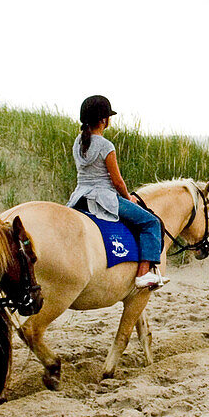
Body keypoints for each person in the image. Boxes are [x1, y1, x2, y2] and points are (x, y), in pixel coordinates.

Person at [66, 95, 167, 288]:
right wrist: (127, 197)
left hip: (79, 197)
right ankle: (143, 275)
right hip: (103, 198)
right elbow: (117, 181)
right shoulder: (105, 146)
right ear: (104, 120)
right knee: (151, 222)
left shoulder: (78, 142)